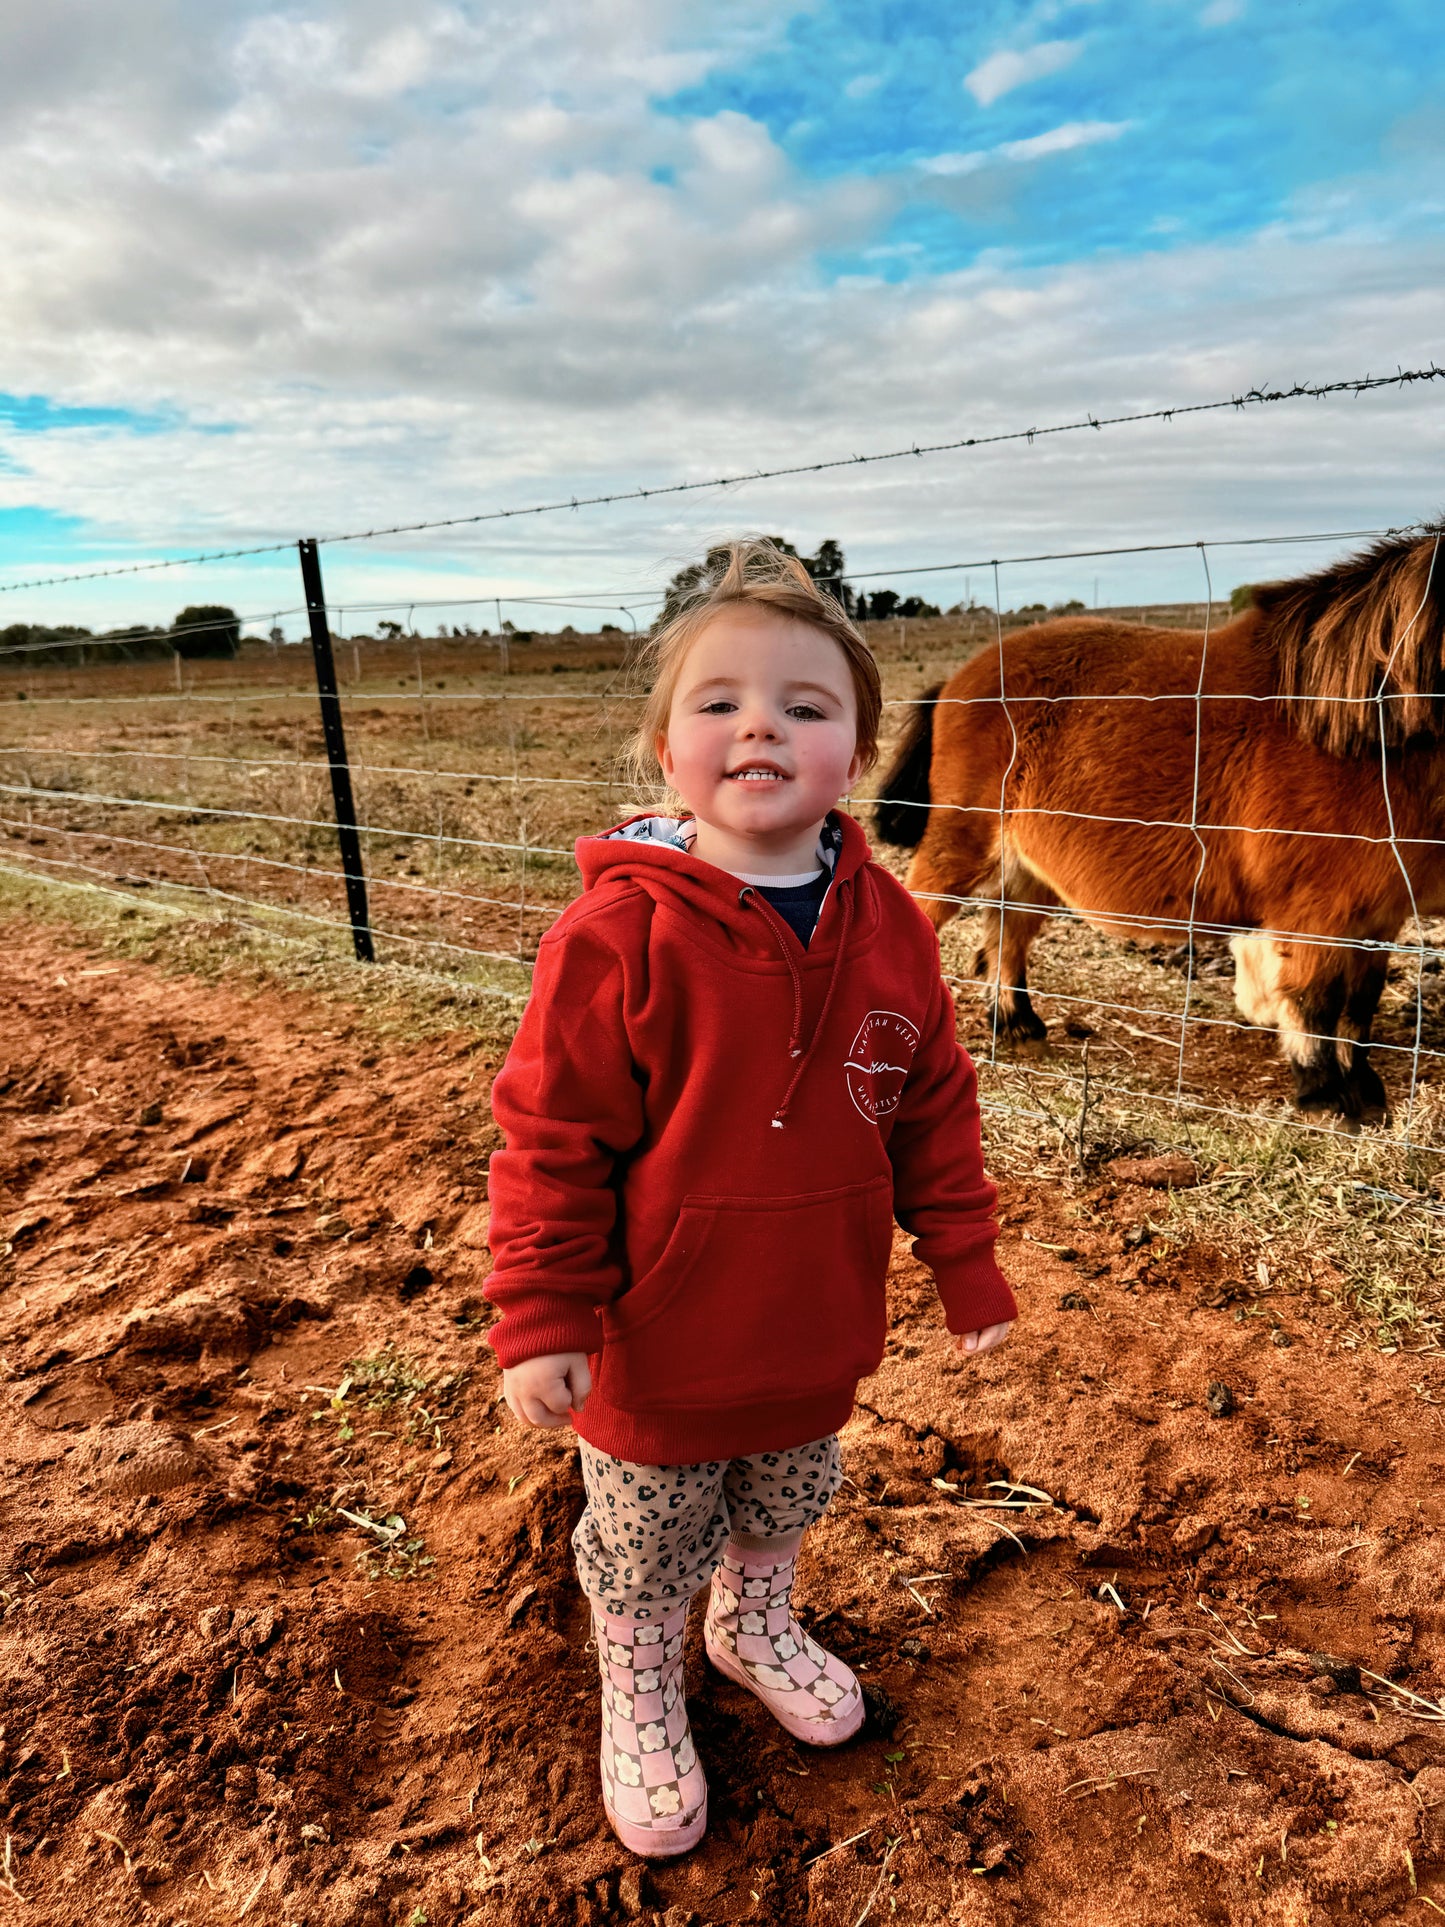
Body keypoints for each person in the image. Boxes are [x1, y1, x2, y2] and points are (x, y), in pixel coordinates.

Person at [483, 538, 1017, 1857]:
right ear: (664, 750)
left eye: (805, 705)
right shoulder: (617, 938)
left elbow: (930, 1104)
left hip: (810, 1321)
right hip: (654, 1341)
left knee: (787, 1496)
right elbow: (550, 1139)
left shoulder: (889, 925)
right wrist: (543, 1311)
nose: (759, 726)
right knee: (650, 1533)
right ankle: (645, 1682)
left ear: (858, 754)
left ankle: (754, 1624)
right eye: (716, 702)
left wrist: (963, 1260)